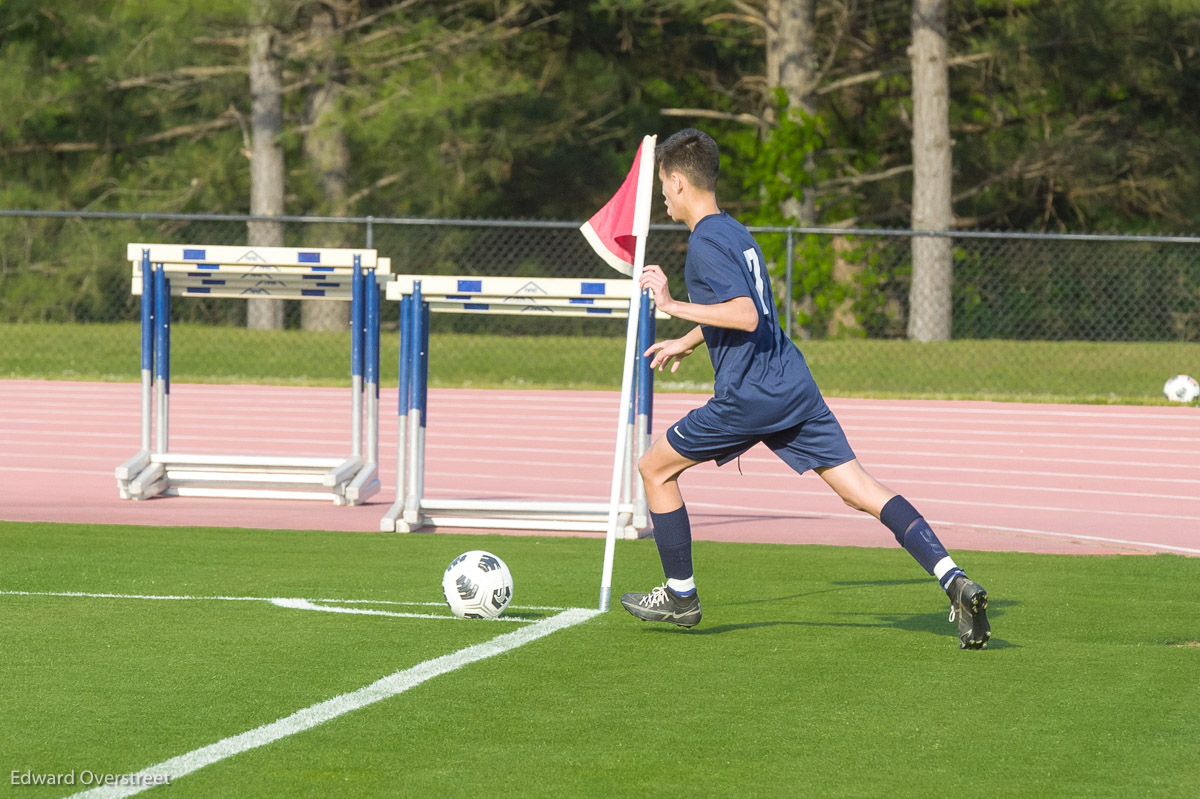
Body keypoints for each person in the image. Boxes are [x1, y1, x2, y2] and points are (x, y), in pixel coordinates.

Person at [620, 128, 991, 649]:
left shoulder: (704, 243)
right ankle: (954, 579)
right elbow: (748, 310)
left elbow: (746, 315)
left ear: (678, 182)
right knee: (860, 490)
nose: (662, 194)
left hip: (749, 396)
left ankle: (681, 596)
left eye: (663, 183)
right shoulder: (735, 232)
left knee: (653, 468)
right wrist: (689, 339)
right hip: (792, 385)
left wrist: (671, 304)